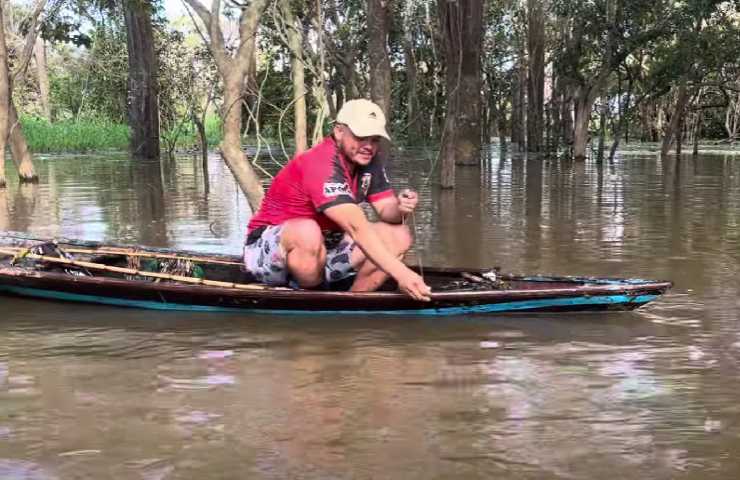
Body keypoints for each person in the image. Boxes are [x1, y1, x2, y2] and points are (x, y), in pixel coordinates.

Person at [243, 99, 432, 301]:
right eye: (361, 137)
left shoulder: (368, 161)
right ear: (339, 131)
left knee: (399, 234)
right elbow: (356, 227)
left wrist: (400, 208)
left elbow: (386, 209)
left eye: (375, 139)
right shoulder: (321, 162)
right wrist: (403, 274)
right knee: (307, 232)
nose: (369, 146)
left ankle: (353, 303)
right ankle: (311, 298)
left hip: (327, 246)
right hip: (272, 254)